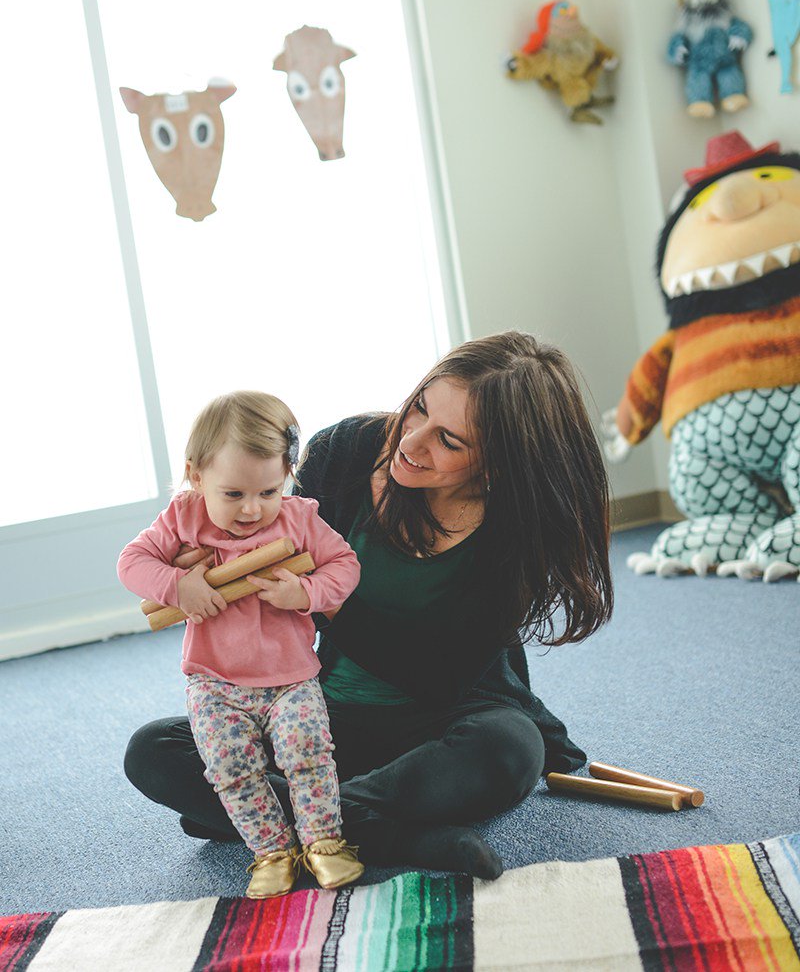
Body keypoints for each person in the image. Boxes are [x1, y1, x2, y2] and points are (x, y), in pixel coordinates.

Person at [124, 332, 614, 881]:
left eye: (449, 441)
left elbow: (438, 678)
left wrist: (328, 605)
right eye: (420, 409)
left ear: (497, 464)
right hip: (317, 713)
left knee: (511, 751)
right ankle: (386, 833)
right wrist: (204, 566)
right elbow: (247, 517)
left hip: (436, 720)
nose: (412, 440)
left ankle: (276, 818)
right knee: (153, 751)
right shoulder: (348, 452)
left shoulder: (518, 533)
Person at [118, 391, 365, 898]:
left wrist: (306, 592)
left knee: (309, 754)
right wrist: (179, 586)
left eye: (268, 491)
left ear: (288, 476)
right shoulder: (184, 517)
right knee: (230, 768)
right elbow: (131, 563)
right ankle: (272, 849)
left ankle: (324, 842)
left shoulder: (297, 519)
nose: (253, 509)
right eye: (233, 495)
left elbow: (346, 565)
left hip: (291, 678)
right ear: (196, 475)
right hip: (215, 682)